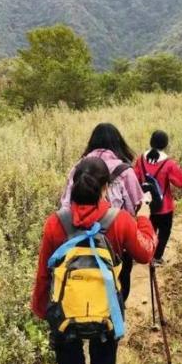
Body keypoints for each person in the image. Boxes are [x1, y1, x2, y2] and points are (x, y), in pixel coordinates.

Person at [32, 157, 157, 364]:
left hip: (65, 312)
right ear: (105, 187)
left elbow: (44, 273)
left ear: (74, 184)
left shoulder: (55, 222)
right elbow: (146, 253)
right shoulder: (120, 220)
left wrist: (42, 310)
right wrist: (144, 219)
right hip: (106, 310)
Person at [61, 123, 144, 300]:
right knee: (119, 287)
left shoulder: (77, 168)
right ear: (118, 143)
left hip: (77, 243)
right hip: (116, 244)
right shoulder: (125, 170)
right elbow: (135, 207)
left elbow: (66, 204)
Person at [133, 130, 182, 266]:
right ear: (166, 144)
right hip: (164, 207)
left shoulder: (140, 160)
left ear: (151, 142)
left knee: (149, 230)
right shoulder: (168, 163)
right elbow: (181, 181)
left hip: (146, 206)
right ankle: (157, 257)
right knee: (164, 232)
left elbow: (135, 179)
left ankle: (147, 253)